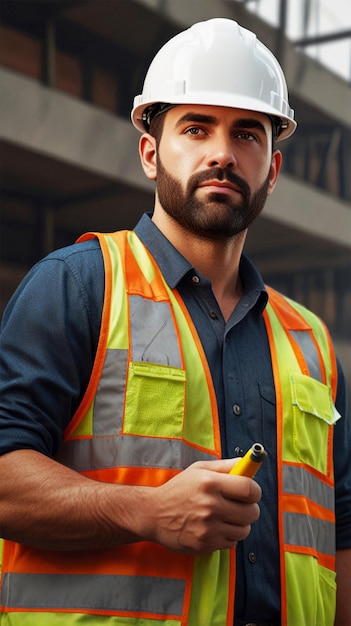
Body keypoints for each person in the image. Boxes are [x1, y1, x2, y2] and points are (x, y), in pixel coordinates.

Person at [0, 17, 350, 626]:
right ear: (150, 152)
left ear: (271, 168)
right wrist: (146, 511)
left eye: (247, 134)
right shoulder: (78, 286)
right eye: (196, 128)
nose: (222, 152)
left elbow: (339, 532)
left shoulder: (311, 343)